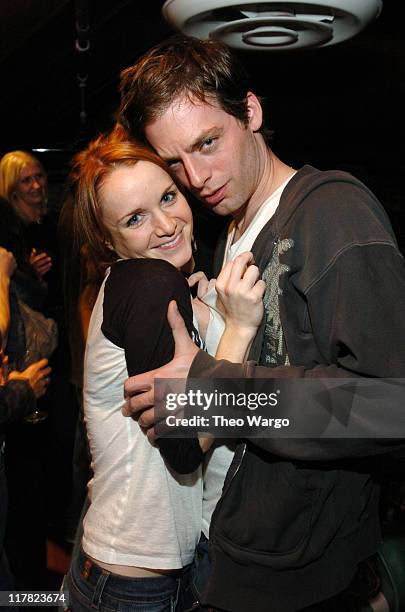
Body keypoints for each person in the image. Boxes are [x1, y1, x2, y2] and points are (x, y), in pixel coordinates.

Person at [118, 35, 405, 612]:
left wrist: (213, 394)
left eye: (207, 143)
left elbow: (388, 407)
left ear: (251, 111)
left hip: (300, 579)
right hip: (228, 549)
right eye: (175, 161)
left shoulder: (334, 214)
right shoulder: (231, 225)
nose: (196, 178)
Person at [63, 128, 264, 611]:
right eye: (135, 218)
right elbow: (185, 451)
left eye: (168, 198)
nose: (166, 224)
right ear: (108, 241)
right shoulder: (150, 283)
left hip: (129, 565)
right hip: (133, 579)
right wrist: (235, 331)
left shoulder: (156, 285)